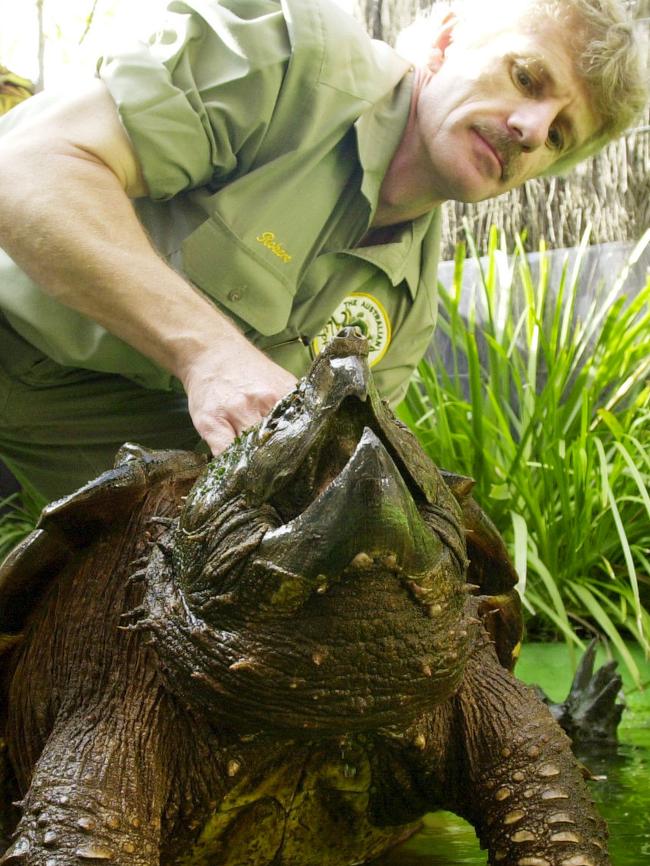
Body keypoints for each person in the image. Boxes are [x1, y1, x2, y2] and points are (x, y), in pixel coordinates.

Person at [0, 0, 646, 502]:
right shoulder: (290, 54)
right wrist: (207, 352)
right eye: (527, 77)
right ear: (448, 40)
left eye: (561, 135)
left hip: (74, 456)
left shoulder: (407, 314)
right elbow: (26, 170)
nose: (530, 131)